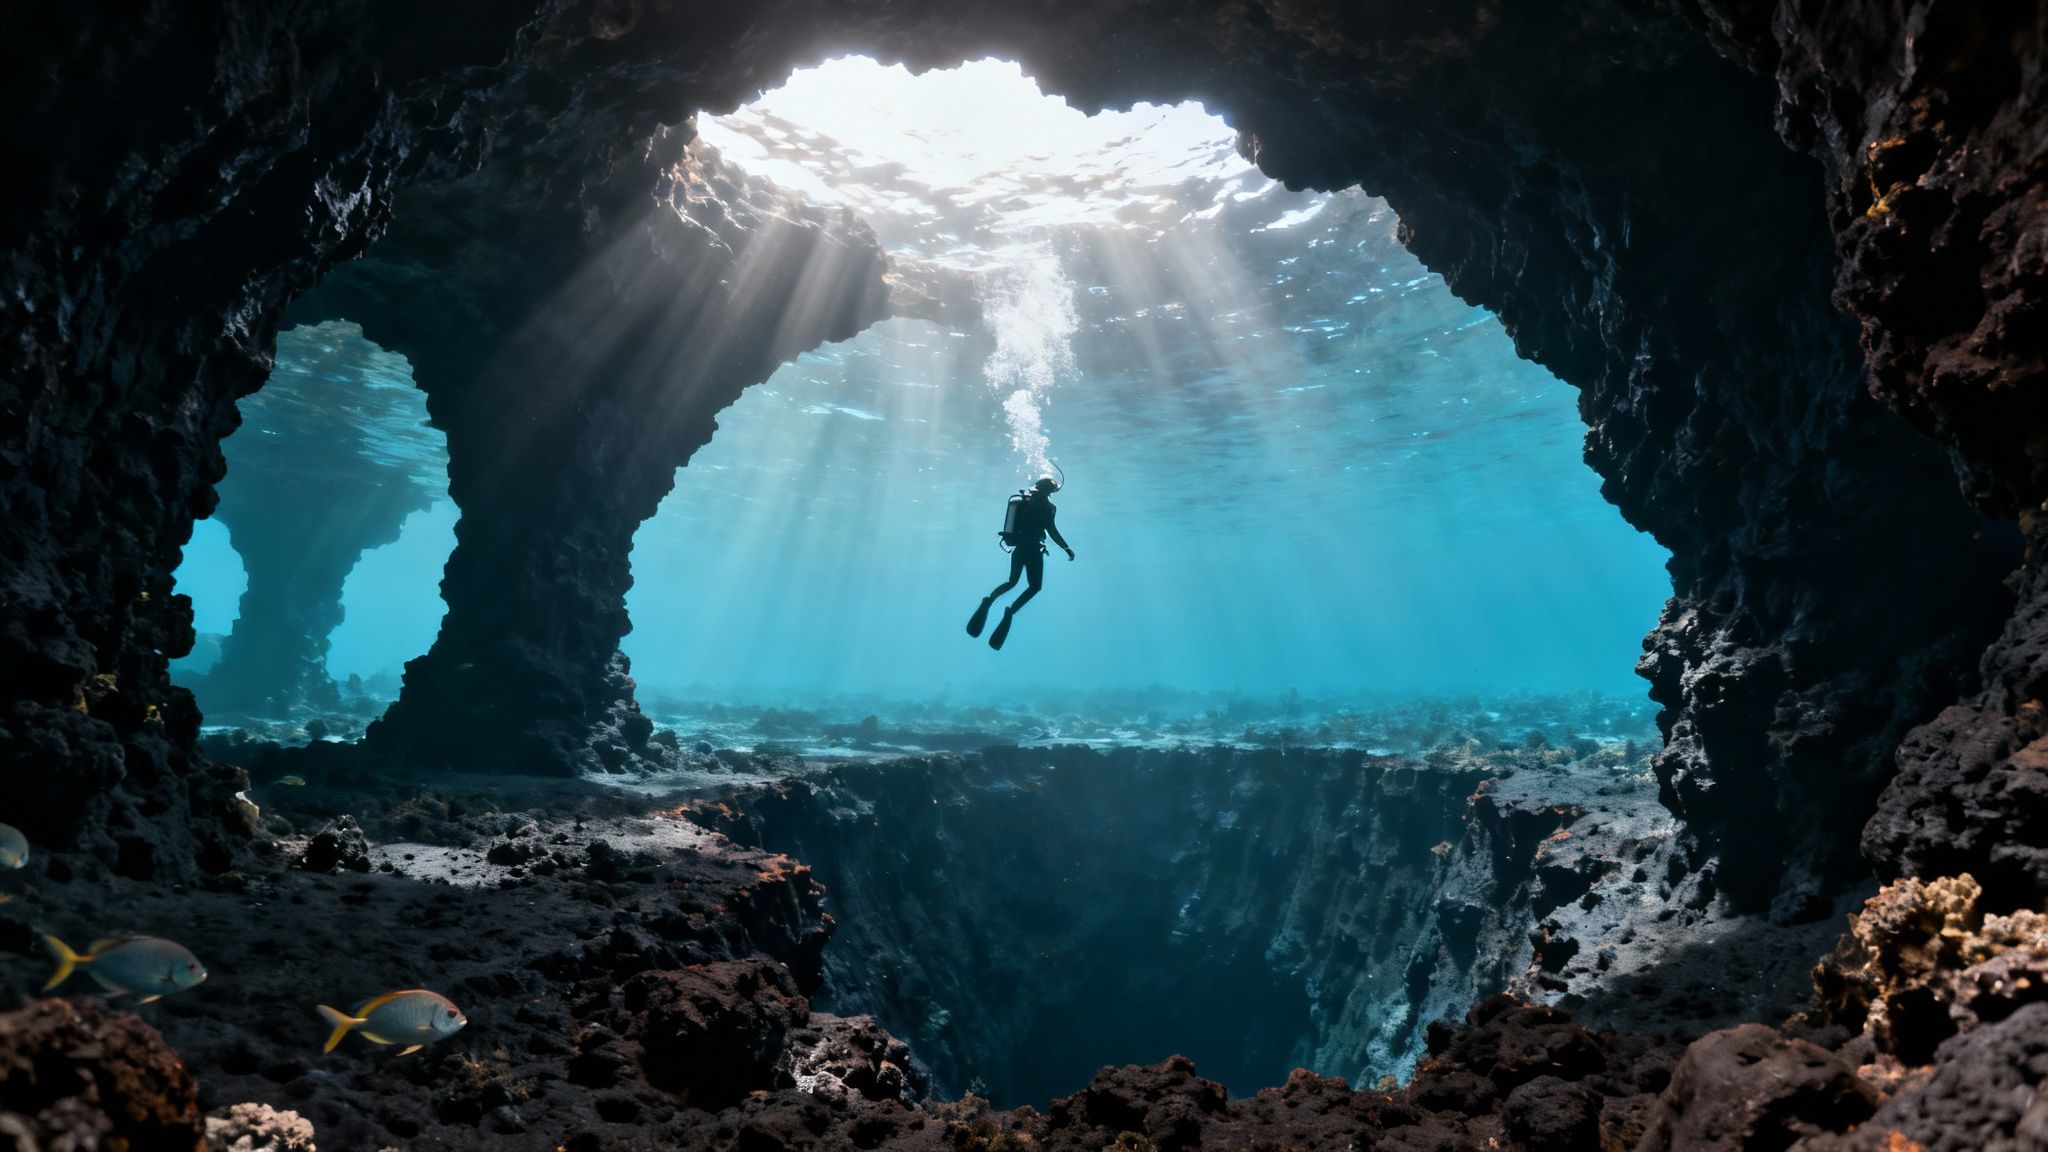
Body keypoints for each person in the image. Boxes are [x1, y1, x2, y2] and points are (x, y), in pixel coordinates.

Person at [967, 476, 1074, 650]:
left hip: (1019, 547)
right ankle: (1010, 612)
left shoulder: (1027, 501)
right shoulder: (1047, 507)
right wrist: (1066, 548)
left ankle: (989, 601)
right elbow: (1052, 531)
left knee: (1012, 581)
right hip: (1033, 550)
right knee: (1034, 587)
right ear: (1050, 490)